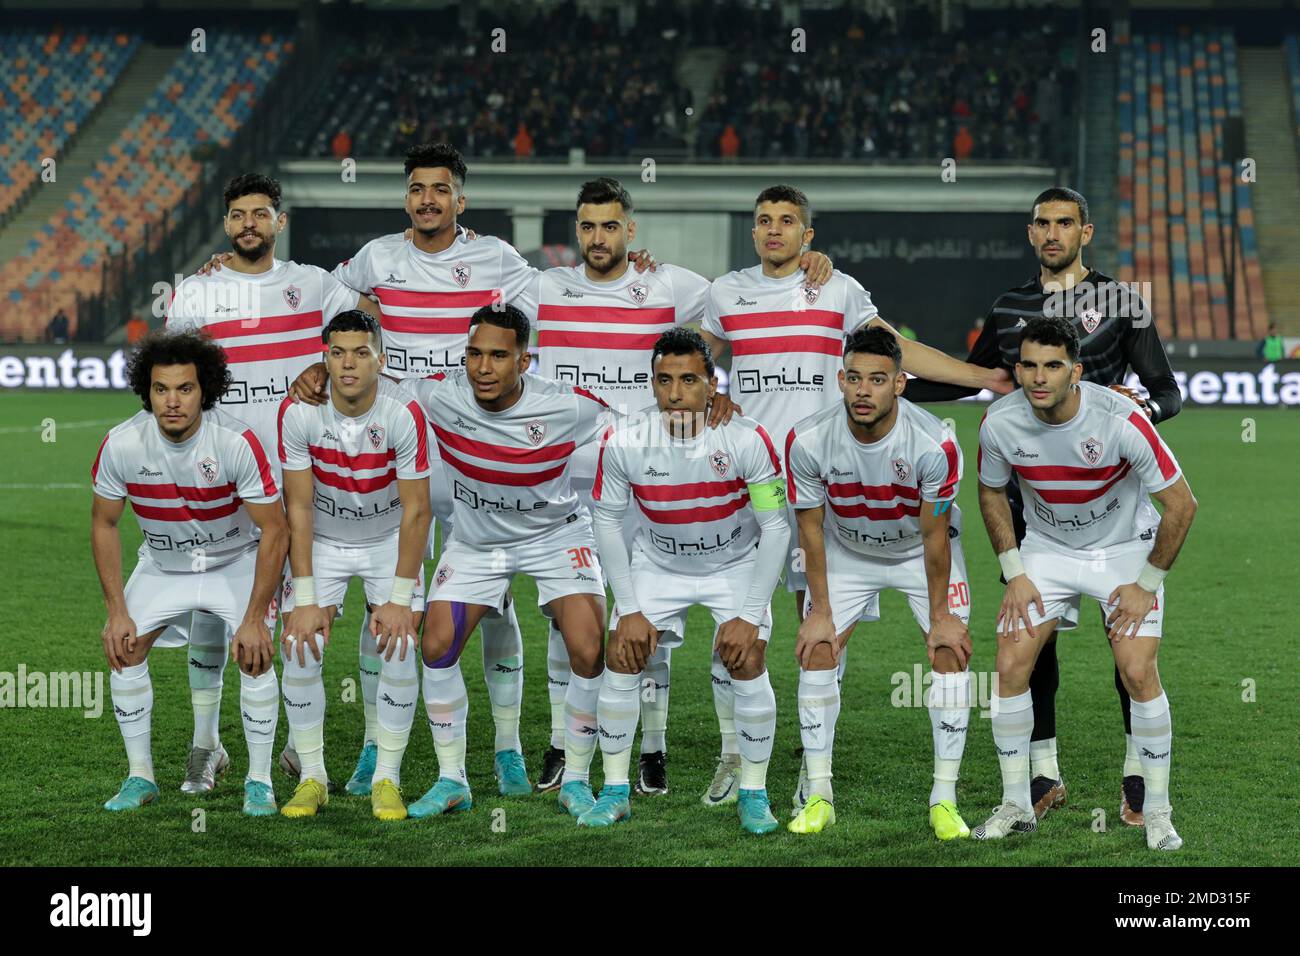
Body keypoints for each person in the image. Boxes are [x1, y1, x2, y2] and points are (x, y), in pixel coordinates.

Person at [531, 176, 828, 798]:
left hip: (651, 482)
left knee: (649, 633)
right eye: (587, 226)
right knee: (573, 627)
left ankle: (654, 751)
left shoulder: (673, 285)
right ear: (575, 231)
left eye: (611, 225)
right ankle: (563, 743)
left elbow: (755, 293)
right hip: (565, 483)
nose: (599, 237)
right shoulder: (542, 286)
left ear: (630, 230)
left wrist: (810, 261)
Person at [901, 186, 1183, 827]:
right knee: (1032, 643)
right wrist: (899, 388)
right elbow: (981, 380)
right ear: (1031, 234)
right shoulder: (1009, 307)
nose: (1052, 233)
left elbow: (1166, 390)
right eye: (1042, 224)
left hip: (1114, 496)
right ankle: (1041, 771)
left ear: (1086, 232)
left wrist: (1144, 410)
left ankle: (1137, 775)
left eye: (1065, 223)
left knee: (1127, 646)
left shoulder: (1121, 301)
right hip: (1035, 505)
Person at [166, 172, 376, 796]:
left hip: (301, 474)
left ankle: (297, 745)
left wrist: (321, 361)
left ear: (279, 222)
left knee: (299, 609)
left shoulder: (313, 285)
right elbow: (174, 375)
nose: (249, 223)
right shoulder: (195, 295)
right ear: (226, 223)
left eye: (261, 213)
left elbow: (369, 320)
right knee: (211, 607)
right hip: (220, 476)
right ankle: (208, 743)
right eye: (238, 214)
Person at [377, 304, 613, 821]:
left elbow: (641, 427)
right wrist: (313, 374)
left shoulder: (568, 407)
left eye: (498, 356)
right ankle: (451, 778)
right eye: (474, 354)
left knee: (590, 649)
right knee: (436, 644)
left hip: (555, 535)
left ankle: (576, 778)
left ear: (524, 361)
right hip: (478, 540)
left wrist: (706, 411)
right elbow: (373, 377)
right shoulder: (441, 393)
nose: (482, 367)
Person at [973, 316, 1197, 852]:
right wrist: (1014, 571)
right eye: (1028, 365)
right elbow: (990, 494)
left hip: (1121, 552)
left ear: (1075, 370)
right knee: (1008, 667)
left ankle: (1160, 814)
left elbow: (1182, 505)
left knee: (1138, 670)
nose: (1038, 378)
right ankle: (1016, 805)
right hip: (1046, 553)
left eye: (1052, 366)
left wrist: (1146, 583)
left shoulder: (1121, 419)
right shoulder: (998, 423)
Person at [587, 328, 789, 833]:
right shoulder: (626, 440)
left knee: (748, 658)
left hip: (734, 565)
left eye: (689, 380)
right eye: (664, 381)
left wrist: (748, 614)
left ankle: (754, 793)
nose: (675, 393)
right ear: (652, 385)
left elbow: (776, 526)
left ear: (712, 385)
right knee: (622, 653)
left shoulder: (746, 438)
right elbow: (608, 523)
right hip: (658, 564)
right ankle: (614, 791)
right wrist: (629, 607)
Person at [91, 330, 288, 815]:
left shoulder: (236, 442)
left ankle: (258, 780)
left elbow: (276, 530)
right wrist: (116, 611)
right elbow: (104, 523)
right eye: (161, 389)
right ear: (147, 391)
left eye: (185, 389)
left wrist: (256, 615)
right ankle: (140, 777)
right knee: (125, 647)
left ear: (205, 391)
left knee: (255, 654)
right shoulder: (121, 444)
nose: (172, 401)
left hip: (234, 560)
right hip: (164, 565)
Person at [786, 327, 972, 838]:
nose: (863, 390)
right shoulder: (807, 439)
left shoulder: (935, 442)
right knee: (818, 648)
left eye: (877, 379)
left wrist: (940, 617)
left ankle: (945, 799)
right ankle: (819, 793)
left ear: (900, 385)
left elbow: (936, 537)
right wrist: (820, 609)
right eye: (853, 378)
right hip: (847, 550)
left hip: (919, 553)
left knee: (949, 653)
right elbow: (809, 529)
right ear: (840, 381)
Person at [275, 311, 432, 818]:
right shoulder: (298, 412)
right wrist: (303, 599)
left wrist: (401, 601)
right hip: (324, 540)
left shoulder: (403, 412)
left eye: (361, 352)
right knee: (300, 643)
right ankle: (314, 777)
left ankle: (387, 777)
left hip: (389, 538)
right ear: (324, 356)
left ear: (380, 359)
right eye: (338, 352)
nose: (348, 364)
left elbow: (418, 510)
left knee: (402, 641)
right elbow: (296, 507)